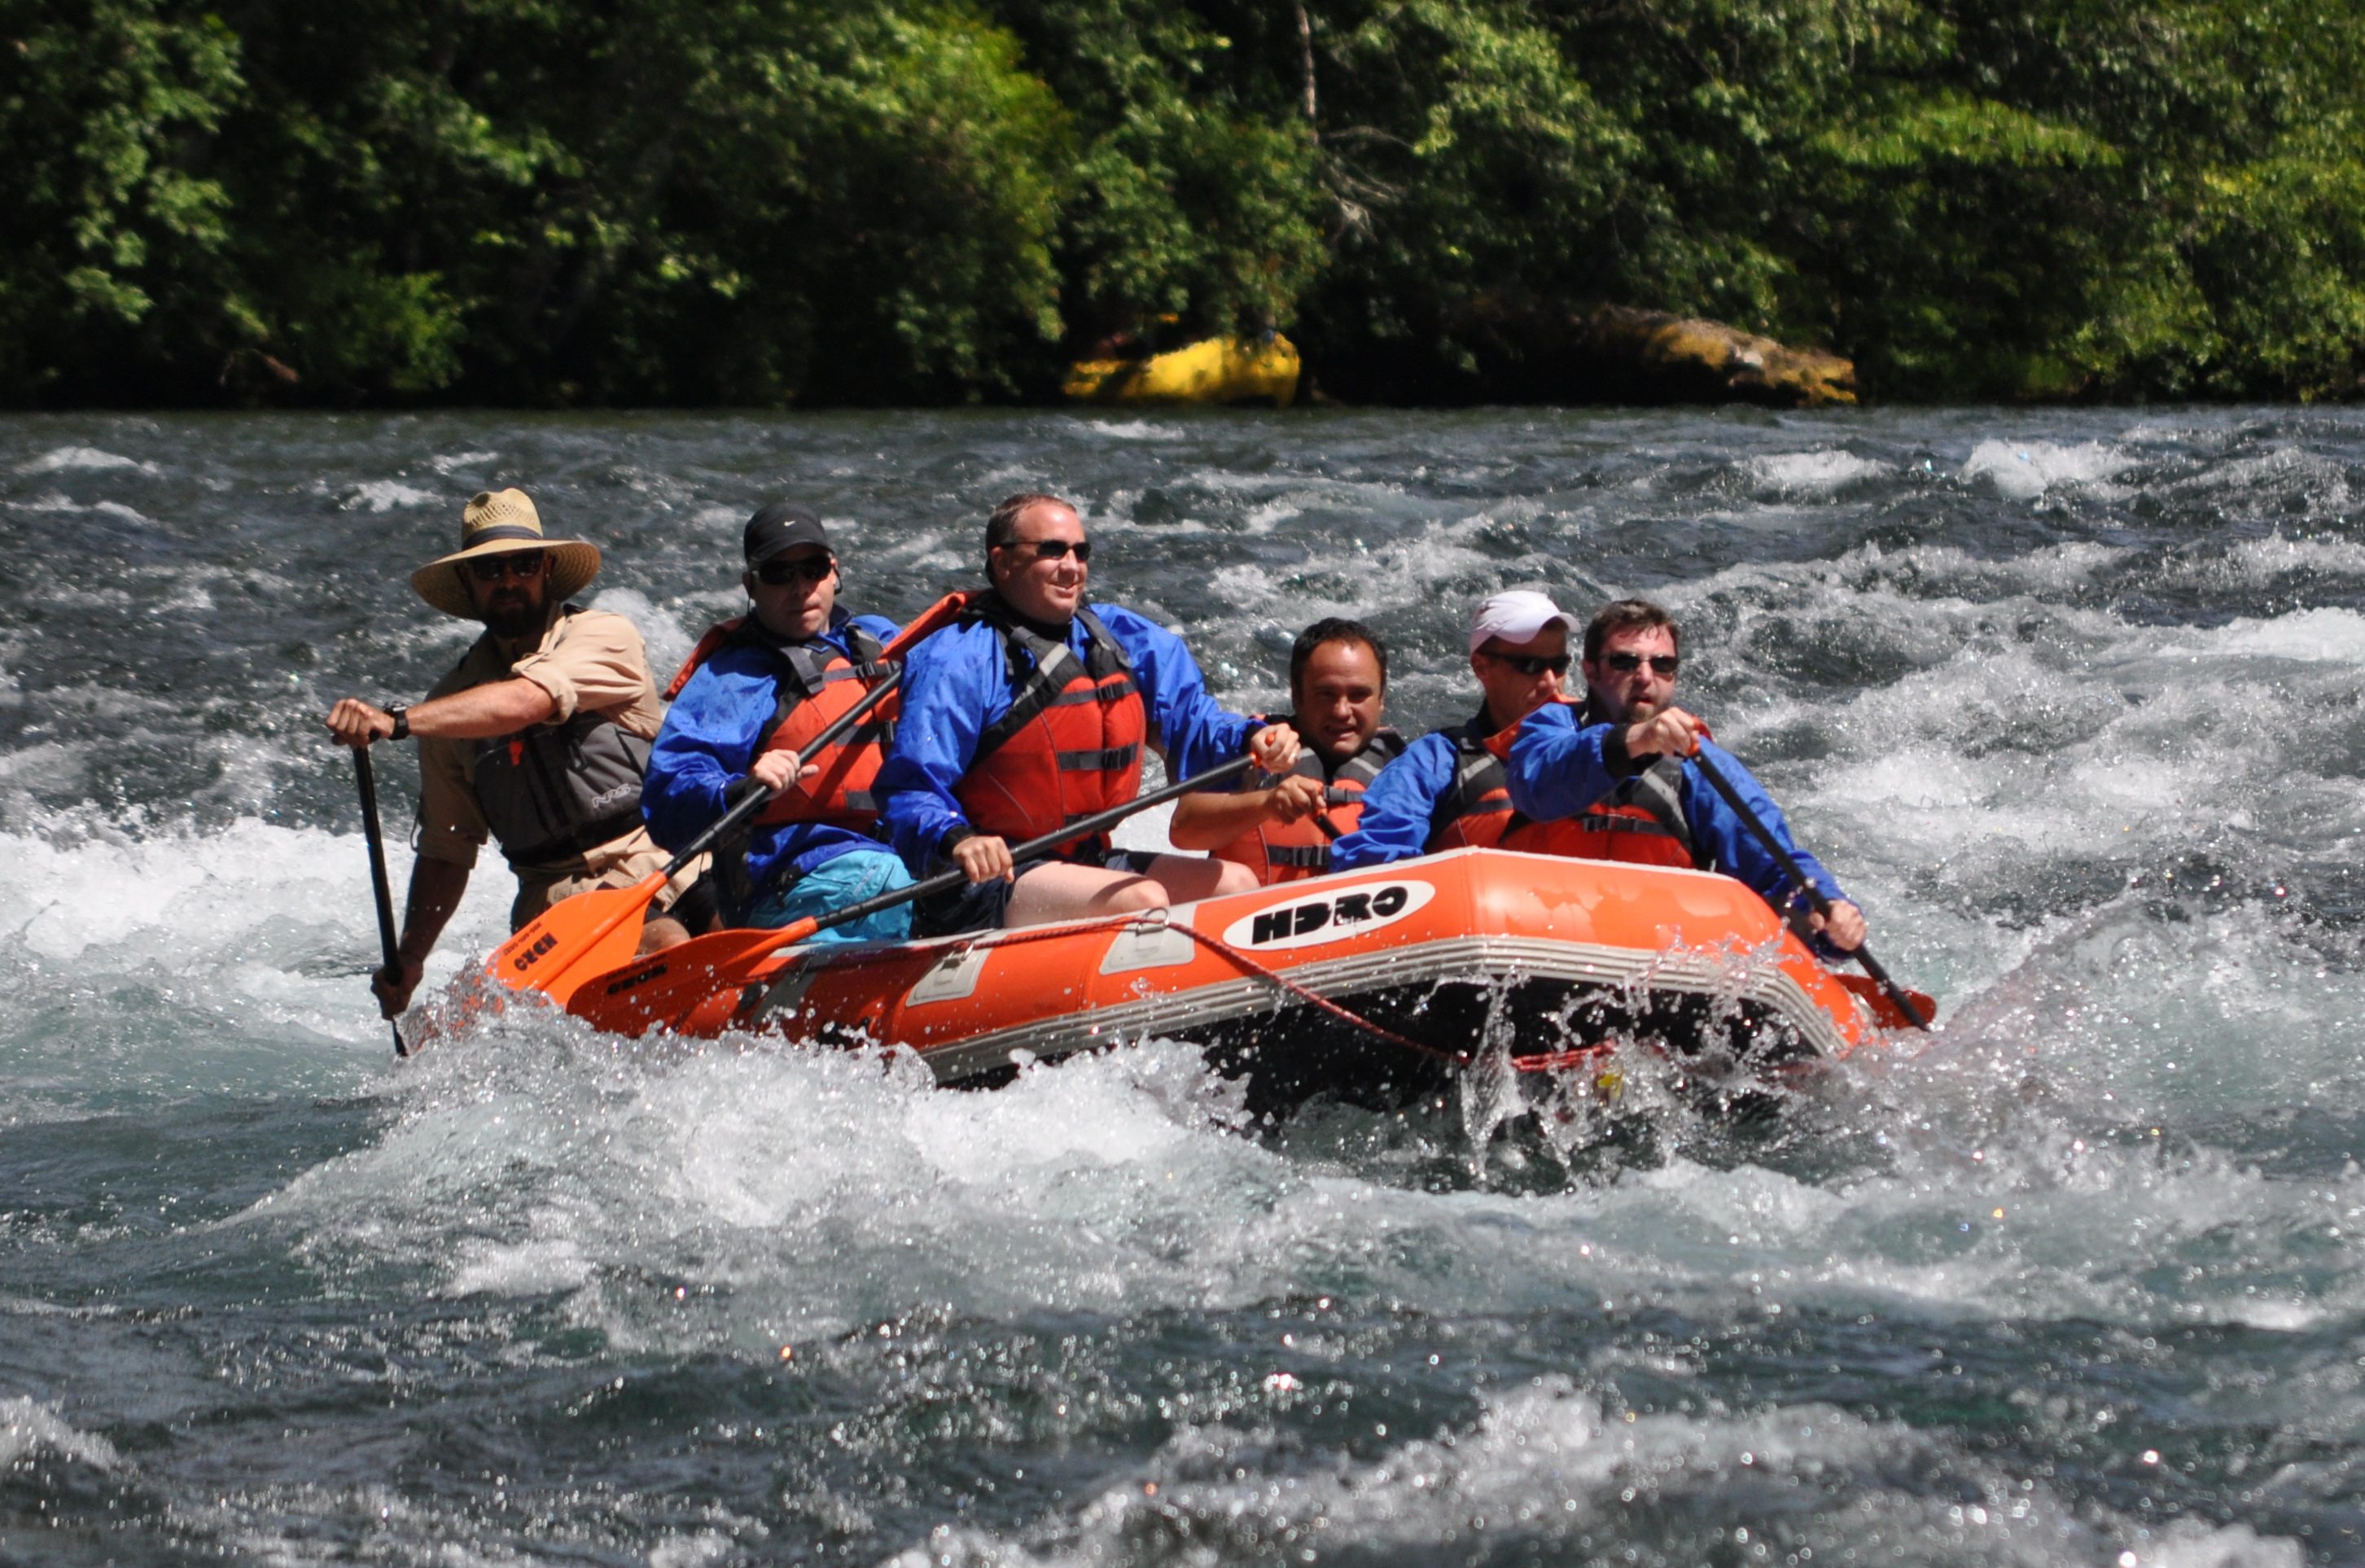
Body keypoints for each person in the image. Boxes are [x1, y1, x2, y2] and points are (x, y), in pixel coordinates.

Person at [325, 489, 703, 1018]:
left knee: (659, 944)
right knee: (470, 1019)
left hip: (660, 868)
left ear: (546, 569)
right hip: (552, 908)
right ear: (468, 583)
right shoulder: (449, 708)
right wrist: (410, 958)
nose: (507, 580)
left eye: (523, 564)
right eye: (488, 569)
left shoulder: (604, 635)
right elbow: (447, 849)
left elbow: (528, 700)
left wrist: (397, 722)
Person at [876, 493, 1300, 933]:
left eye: (1081, 552)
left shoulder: (1120, 637)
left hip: (1083, 858)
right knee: (1143, 898)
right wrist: (958, 839)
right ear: (1003, 563)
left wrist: (1250, 737)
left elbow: (1194, 720)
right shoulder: (960, 657)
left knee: (1237, 885)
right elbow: (911, 785)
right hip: (978, 879)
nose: (1072, 566)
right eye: (1053, 550)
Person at [1503, 598, 1868, 953]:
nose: (1645, 677)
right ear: (1591, 671)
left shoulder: (1700, 762)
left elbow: (1771, 859)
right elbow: (1536, 785)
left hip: (1652, 953)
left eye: (1662, 665)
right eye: (1625, 662)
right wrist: (1635, 740)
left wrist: (1828, 907)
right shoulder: (1551, 726)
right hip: (1538, 935)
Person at [641, 505, 915, 943]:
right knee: (889, 878)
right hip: (789, 878)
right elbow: (666, 799)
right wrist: (741, 788)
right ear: (750, 585)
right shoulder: (729, 679)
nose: (800, 588)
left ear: (834, 571)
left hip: (896, 847)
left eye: (813, 569)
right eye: (778, 574)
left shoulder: (879, 640)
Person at [1328, 589, 1581, 870]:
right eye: (1529, 666)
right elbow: (1377, 856)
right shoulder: (1433, 762)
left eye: (1559, 666)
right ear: (1481, 667)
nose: (1550, 682)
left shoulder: (1603, 751)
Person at [1168, 617, 1404, 884]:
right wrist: (1265, 804)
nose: (1341, 711)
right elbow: (1183, 830)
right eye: (1326, 694)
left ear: (1382, 698)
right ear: (1297, 695)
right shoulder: (1257, 744)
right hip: (1255, 916)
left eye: (1358, 695)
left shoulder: (1406, 765)